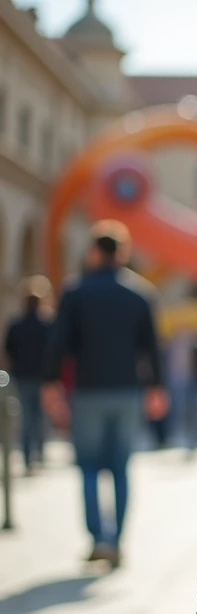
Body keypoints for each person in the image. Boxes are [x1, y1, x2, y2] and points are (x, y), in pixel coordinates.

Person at [42, 221, 168, 569]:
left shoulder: (75, 292)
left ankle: (98, 537)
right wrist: (157, 388)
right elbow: (153, 347)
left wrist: (51, 384)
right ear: (123, 253)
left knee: (87, 466)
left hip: (88, 392)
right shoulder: (141, 294)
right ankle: (118, 540)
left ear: (94, 252)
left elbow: (59, 343)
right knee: (121, 467)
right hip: (128, 392)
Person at [4, 276, 53, 475]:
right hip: (42, 375)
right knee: (40, 416)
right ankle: (39, 453)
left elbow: (9, 349)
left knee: (26, 416)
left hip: (22, 375)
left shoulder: (16, 325)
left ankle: (26, 455)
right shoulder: (47, 325)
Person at [165, 324, 197, 456]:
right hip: (182, 384)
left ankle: (195, 440)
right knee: (184, 412)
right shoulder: (174, 348)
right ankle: (188, 439)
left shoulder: (196, 349)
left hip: (195, 384)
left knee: (196, 412)